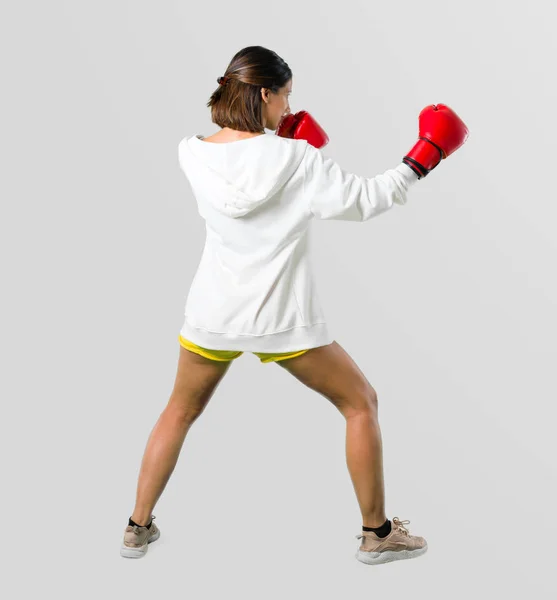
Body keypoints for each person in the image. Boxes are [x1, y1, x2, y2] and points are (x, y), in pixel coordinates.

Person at [120, 45, 468, 564]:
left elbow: (243, 170)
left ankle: (135, 528)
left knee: (180, 410)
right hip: (282, 320)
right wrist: (424, 156)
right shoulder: (296, 158)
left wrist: (281, 147)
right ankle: (377, 535)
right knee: (360, 403)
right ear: (264, 93)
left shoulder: (189, 151)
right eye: (285, 97)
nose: (288, 109)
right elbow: (366, 201)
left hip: (213, 314)